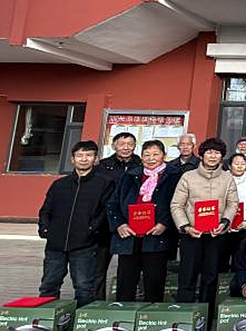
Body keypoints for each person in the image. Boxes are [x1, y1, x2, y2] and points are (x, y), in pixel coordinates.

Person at [37, 140, 114, 307]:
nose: (84, 159)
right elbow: (46, 210)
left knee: (84, 287)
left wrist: (91, 230)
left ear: (96, 159)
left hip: (85, 244)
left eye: (88, 155)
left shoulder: (105, 183)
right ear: (72, 159)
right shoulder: (59, 184)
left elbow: (105, 212)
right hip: (55, 244)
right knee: (49, 285)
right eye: (79, 155)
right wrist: (45, 228)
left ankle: (81, 320)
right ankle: (46, 318)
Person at [106, 140, 181, 302]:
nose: (151, 158)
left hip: (157, 236)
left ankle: (150, 314)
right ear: (141, 157)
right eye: (146, 155)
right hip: (129, 236)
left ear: (164, 156)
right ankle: (123, 313)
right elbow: (113, 203)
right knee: (126, 281)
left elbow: (178, 204)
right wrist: (120, 224)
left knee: (154, 282)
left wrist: (165, 223)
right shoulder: (130, 175)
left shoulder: (174, 175)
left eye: (155, 154)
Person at [170, 137, 238, 313]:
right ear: (201, 155)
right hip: (191, 235)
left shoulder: (227, 178)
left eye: (217, 153)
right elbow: (176, 205)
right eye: (209, 152)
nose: (213, 156)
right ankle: (184, 316)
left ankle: (205, 318)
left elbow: (232, 204)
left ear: (222, 156)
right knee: (187, 276)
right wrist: (185, 226)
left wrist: (225, 222)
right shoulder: (188, 177)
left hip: (216, 235)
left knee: (211, 277)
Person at [95, 131, 141, 300]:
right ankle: (97, 303)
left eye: (130, 144)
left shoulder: (141, 165)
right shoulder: (102, 166)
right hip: (104, 225)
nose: (126, 148)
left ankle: (126, 303)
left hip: (131, 225)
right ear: (114, 145)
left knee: (129, 269)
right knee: (98, 269)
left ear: (135, 146)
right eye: (122, 144)